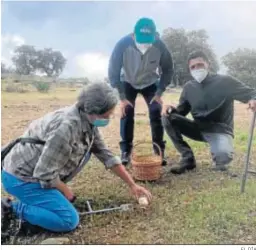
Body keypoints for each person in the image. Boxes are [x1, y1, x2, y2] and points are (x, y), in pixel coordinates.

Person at [1, 83, 152, 234]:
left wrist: (132, 185)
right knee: (67, 220)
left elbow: (105, 154)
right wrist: (67, 192)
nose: (108, 119)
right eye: (106, 116)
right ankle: (12, 208)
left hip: (36, 171)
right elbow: (44, 174)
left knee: (87, 151)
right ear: (92, 111)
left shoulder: (86, 118)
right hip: (21, 178)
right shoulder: (66, 128)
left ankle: (39, 200)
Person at [162, 50, 256, 175]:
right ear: (189, 69)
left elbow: (251, 92)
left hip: (220, 130)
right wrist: (170, 108)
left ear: (208, 64)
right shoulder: (189, 87)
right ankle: (187, 158)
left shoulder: (225, 81)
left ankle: (220, 152)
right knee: (167, 117)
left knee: (223, 158)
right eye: (193, 67)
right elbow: (181, 111)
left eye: (200, 65)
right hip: (198, 128)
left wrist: (253, 99)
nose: (197, 69)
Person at [108, 17, 174, 166]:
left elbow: (168, 69)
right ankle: (126, 151)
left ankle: (159, 151)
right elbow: (113, 71)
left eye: (148, 40)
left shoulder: (160, 46)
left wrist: (159, 93)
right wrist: (122, 97)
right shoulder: (122, 45)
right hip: (128, 81)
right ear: (134, 35)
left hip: (150, 82)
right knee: (127, 112)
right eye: (141, 40)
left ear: (154, 35)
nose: (144, 44)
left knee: (156, 110)